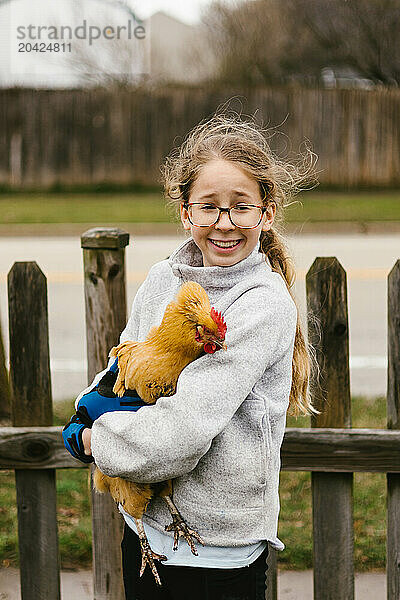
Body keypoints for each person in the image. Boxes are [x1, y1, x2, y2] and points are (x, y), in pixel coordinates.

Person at [63, 112, 317, 600]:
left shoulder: (261, 304)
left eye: (241, 207)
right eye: (209, 207)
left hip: (216, 551)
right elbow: (123, 367)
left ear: (267, 213)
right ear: (185, 212)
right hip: (147, 534)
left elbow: (183, 431)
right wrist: (88, 404)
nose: (224, 223)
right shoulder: (166, 277)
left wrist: (95, 441)